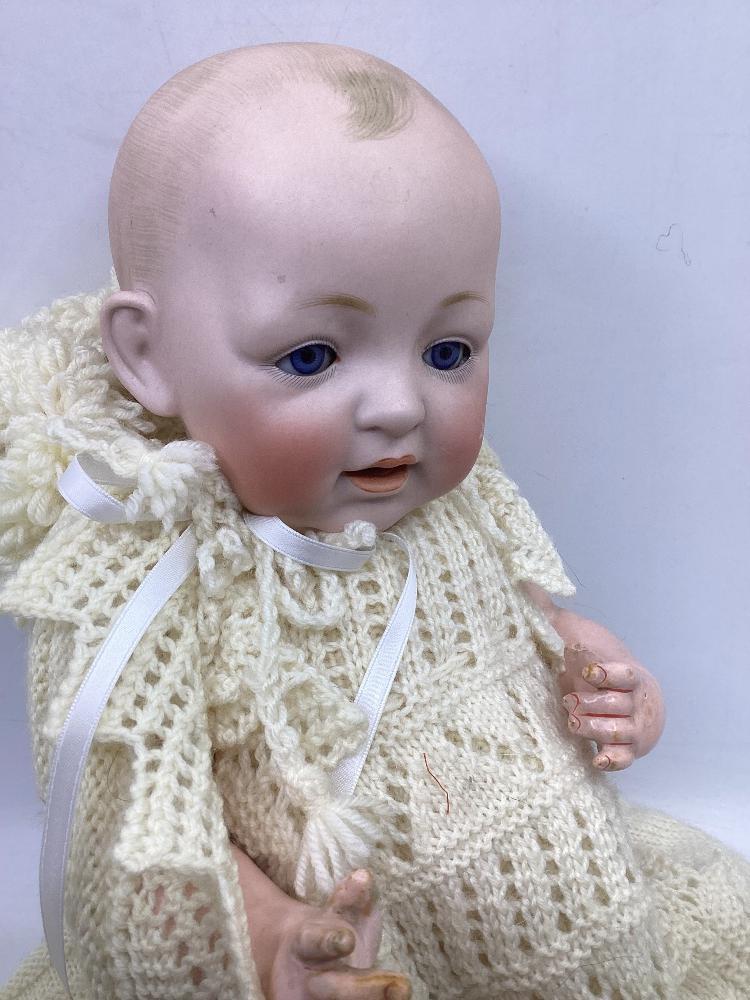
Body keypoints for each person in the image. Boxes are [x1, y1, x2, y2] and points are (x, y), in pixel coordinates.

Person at [1, 41, 748, 1000]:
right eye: (311, 357)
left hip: (571, 912)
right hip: (372, 957)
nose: (400, 406)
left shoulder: (452, 510)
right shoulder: (147, 586)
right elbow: (135, 834)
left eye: (449, 351)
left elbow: (519, 623)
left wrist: (598, 673)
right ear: (148, 356)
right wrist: (275, 940)